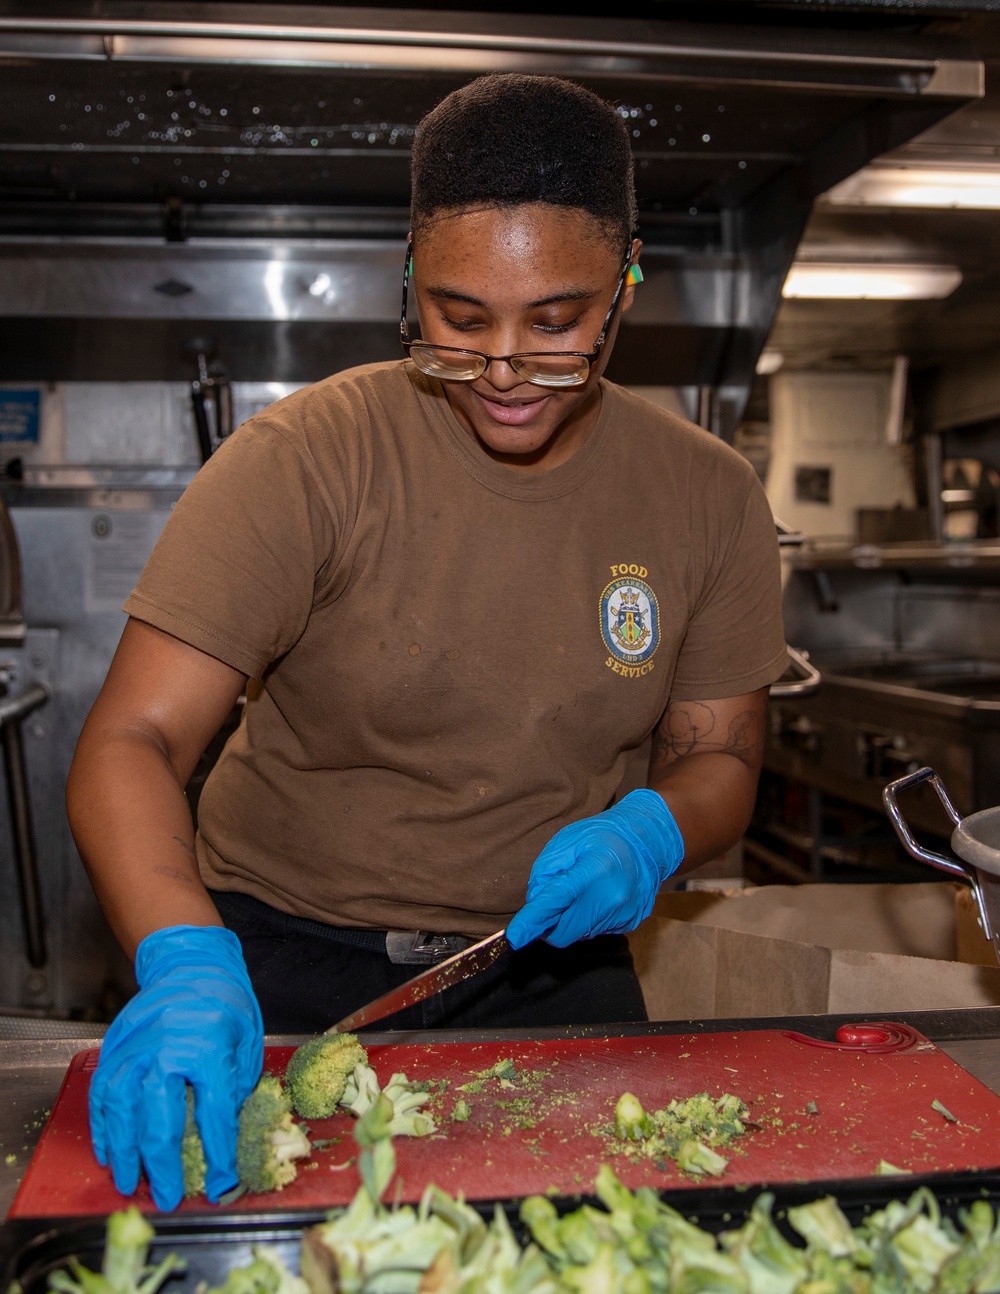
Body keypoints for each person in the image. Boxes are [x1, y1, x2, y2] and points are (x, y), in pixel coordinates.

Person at [66, 72, 787, 1212]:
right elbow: (133, 739)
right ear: (408, 279)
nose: (504, 369)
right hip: (277, 962)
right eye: (460, 318)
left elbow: (723, 758)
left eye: (556, 322)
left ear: (626, 284)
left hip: (547, 966)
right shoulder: (307, 460)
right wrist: (183, 958)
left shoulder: (707, 494)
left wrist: (652, 832)